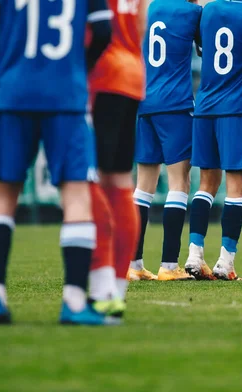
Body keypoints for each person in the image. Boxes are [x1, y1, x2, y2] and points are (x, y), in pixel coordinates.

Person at [0, 0, 114, 325]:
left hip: (14, 91)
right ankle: (74, 302)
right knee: (76, 197)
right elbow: (104, 31)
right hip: (65, 93)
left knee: (2, 197)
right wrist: (79, 65)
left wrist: (9, 53)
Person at [184, 0, 242, 281]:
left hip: (206, 107)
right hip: (237, 109)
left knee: (206, 184)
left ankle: (194, 255)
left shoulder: (208, 11)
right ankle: (226, 262)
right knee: (236, 187)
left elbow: (200, 46)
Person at [128, 0, 203, 282]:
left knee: (143, 188)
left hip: (145, 102)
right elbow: (206, 48)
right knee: (179, 183)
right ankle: (169, 266)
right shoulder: (193, 12)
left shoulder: (150, 7)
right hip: (175, 105)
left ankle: (133, 265)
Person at [86, 0, 147, 314]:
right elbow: (141, 23)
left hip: (102, 73)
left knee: (88, 181)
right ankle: (117, 289)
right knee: (121, 183)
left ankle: (102, 287)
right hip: (132, 75)